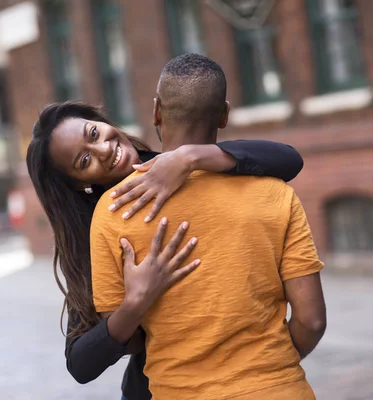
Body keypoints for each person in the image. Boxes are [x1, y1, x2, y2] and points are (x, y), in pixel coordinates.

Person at [27, 103, 304, 400]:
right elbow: (80, 364)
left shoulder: (182, 165)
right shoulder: (94, 228)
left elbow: (288, 160)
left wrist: (190, 156)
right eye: (84, 160)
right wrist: (135, 303)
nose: (103, 149)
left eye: (93, 133)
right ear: (79, 182)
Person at [89, 53, 326, 399]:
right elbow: (312, 321)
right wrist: (267, 370)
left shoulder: (113, 210)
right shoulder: (277, 194)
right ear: (225, 114)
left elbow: (127, 337)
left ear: (156, 111)